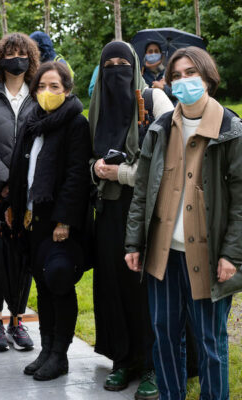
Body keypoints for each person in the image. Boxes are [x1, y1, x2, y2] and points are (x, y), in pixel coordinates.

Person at [125, 46, 242, 400]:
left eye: (191, 73)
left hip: (208, 257)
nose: (183, 80)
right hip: (163, 255)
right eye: (176, 75)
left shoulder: (231, 130)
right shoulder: (161, 128)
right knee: (164, 334)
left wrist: (232, 254)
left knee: (209, 341)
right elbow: (143, 190)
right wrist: (134, 242)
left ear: (208, 77)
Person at [89, 41, 173, 400]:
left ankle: (153, 363)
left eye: (125, 63)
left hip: (149, 211)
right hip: (109, 212)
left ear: (136, 67)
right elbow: (85, 160)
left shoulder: (155, 102)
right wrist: (95, 169)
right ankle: (122, 359)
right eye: (110, 64)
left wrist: (119, 173)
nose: (117, 69)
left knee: (146, 288)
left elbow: (166, 165)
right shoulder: (96, 108)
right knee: (113, 286)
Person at [8, 61, 91, 381]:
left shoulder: (75, 124)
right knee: (42, 284)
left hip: (58, 222)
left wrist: (65, 221)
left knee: (58, 279)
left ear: (67, 90)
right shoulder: (32, 122)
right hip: (33, 218)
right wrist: (14, 204)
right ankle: (46, 349)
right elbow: (21, 169)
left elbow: (75, 177)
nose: (46, 92)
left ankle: (60, 354)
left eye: (54, 87)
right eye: (41, 86)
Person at [0, 32, 40, 352]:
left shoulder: (38, 94)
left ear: (31, 58)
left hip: (28, 192)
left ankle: (18, 321)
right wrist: (6, 182)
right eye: (9, 53)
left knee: (23, 259)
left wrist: (24, 185)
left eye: (21, 53)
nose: (16, 58)